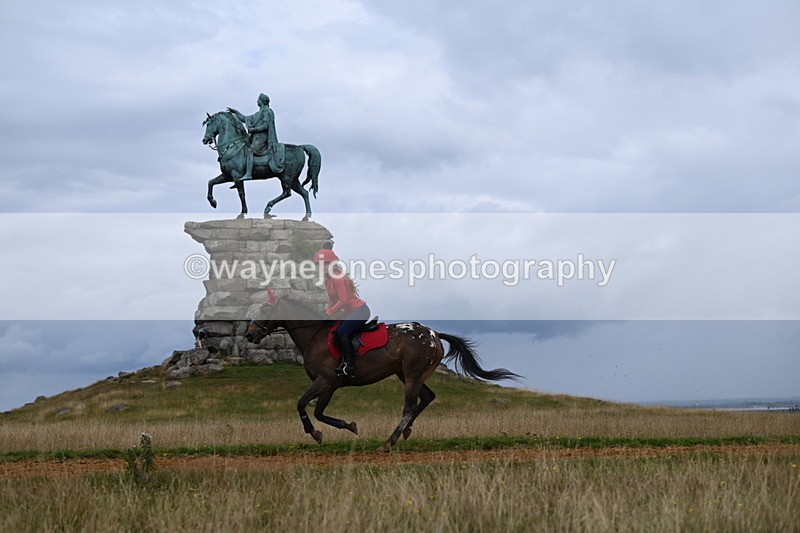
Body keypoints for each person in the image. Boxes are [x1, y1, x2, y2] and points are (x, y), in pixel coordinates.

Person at [315, 247, 369, 378]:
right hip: (351, 313)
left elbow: (343, 300)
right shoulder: (328, 280)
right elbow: (333, 300)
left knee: (342, 332)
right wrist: (326, 311)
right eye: (319, 265)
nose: (322, 267)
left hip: (360, 311)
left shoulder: (337, 277)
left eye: (325, 264)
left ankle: (349, 366)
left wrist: (330, 312)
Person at [227, 93, 285, 187]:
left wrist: (253, 129)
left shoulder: (267, 112)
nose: (257, 101)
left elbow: (266, 126)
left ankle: (249, 174)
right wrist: (236, 112)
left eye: (258, 99)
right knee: (242, 149)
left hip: (263, 139)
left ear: (262, 101)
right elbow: (245, 119)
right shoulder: (258, 114)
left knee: (249, 150)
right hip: (255, 138)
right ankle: (239, 175)